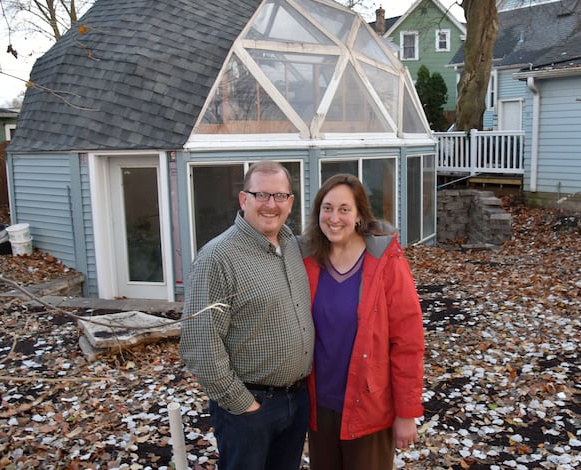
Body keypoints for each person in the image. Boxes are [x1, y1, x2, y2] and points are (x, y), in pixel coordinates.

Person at [179, 161, 314, 470]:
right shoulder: (217, 257)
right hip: (250, 408)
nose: (271, 204)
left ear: (290, 202)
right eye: (261, 195)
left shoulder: (293, 247)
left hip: (297, 401)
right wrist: (244, 405)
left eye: (280, 196)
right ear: (244, 199)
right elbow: (200, 344)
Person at [301, 173, 425, 469]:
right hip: (319, 407)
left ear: (358, 216)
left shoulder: (385, 263)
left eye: (344, 209)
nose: (334, 218)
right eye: (327, 208)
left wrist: (406, 413)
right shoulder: (307, 260)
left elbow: (408, 341)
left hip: (369, 407)